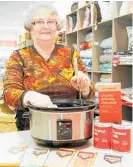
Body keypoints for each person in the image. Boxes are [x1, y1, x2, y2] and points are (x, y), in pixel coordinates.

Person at [3, 3, 95, 131]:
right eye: (39, 22)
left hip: (70, 125)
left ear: (57, 26)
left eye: (50, 21)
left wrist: (84, 88)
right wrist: (30, 96)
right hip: (32, 128)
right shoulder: (18, 56)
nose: (45, 26)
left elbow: (90, 92)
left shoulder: (71, 55)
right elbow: (9, 93)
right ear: (30, 27)